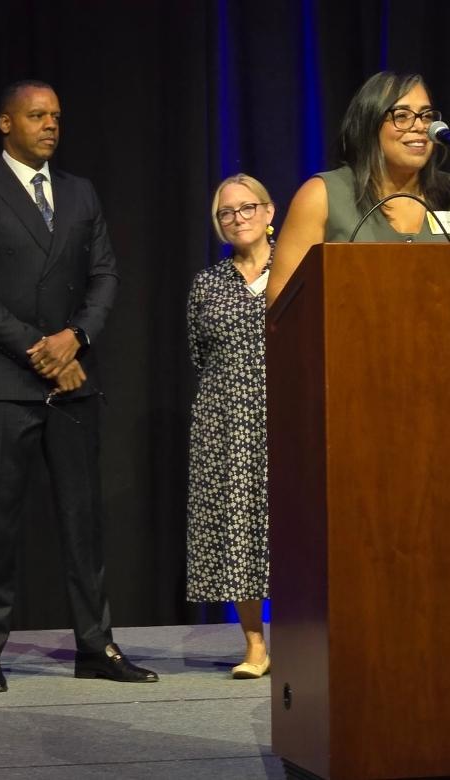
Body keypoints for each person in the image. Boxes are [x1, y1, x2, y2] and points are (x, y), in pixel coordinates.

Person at [0, 79, 158, 692]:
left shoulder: (79, 192)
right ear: (5, 123)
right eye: (37, 115)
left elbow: (105, 275)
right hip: (3, 381)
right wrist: (41, 349)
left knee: (83, 521)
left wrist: (77, 338)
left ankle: (95, 645)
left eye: (57, 116)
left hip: (74, 384)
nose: (50, 125)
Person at [266, 70, 450, 306]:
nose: (420, 127)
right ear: (369, 125)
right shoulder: (321, 196)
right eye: (402, 115)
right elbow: (280, 299)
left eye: (426, 116)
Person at [186, 174, 274, 679]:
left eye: (247, 208)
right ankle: (255, 646)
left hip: (290, 413)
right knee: (238, 528)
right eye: (227, 213)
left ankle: (311, 641)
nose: (238, 218)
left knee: (296, 526)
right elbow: (199, 355)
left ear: (269, 212)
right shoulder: (208, 284)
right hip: (226, 421)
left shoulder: (299, 266)